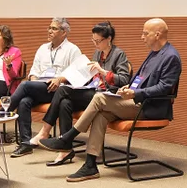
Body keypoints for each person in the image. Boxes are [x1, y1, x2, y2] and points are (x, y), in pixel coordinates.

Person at [39, 18, 182, 182]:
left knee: (100, 98)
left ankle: (67, 138)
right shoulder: (154, 53)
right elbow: (139, 79)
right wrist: (127, 88)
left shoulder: (171, 57)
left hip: (151, 107)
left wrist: (135, 94)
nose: (142, 37)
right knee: (101, 114)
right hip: (135, 101)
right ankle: (90, 166)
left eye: (145, 33)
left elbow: (164, 87)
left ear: (157, 35)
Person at [27, 21, 131, 165]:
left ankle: (46, 131)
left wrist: (102, 71)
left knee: (63, 89)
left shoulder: (119, 54)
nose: (95, 44)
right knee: (65, 102)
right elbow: (92, 76)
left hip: (107, 96)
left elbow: (124, 78)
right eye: (93, 40)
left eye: (98, 41)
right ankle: (65, 150)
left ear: (109, 39)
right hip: (93, 90)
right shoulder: (97, 53)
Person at [9, 17, 82, 157]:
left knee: (24, 86)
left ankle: (3, 113)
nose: (49, 31)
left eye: (54, 28)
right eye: (49, 28)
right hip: (41, 87)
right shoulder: (43, 48)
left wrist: (59, 81)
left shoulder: (73, 50)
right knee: (24, 101)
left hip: (59, 90)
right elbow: (33, 71)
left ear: (64, 32)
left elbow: (77, 76)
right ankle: (26, 144)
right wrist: (34, 80)